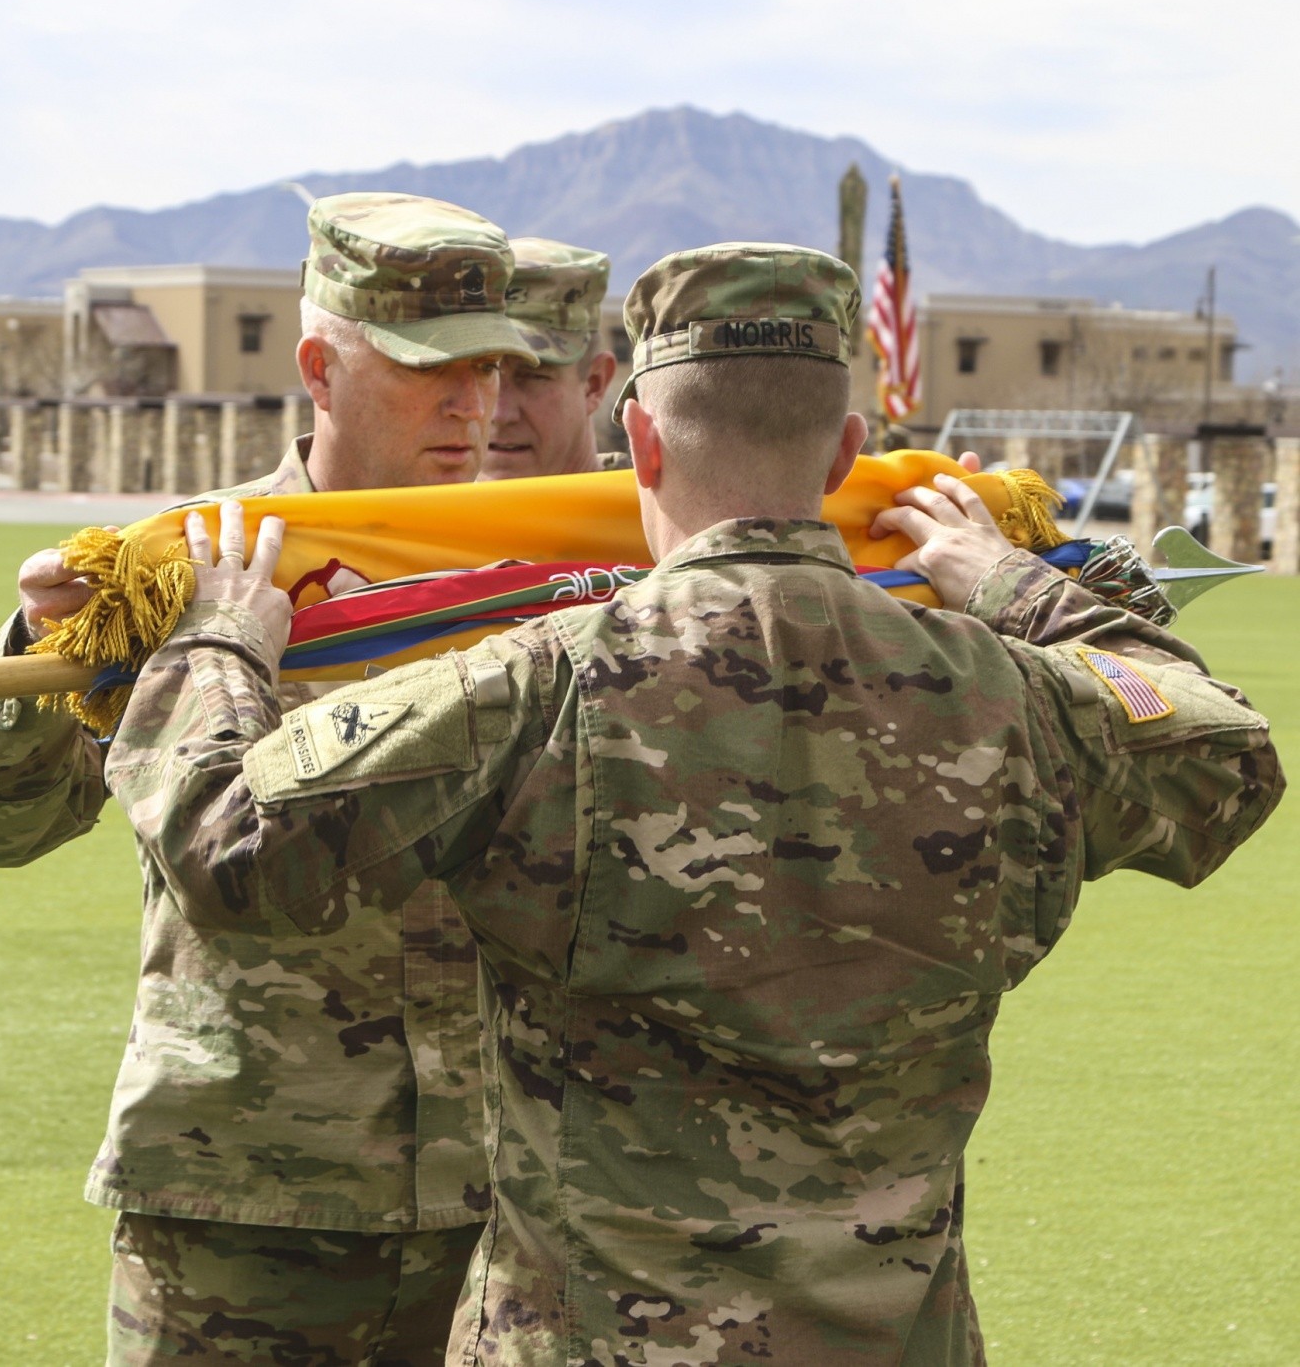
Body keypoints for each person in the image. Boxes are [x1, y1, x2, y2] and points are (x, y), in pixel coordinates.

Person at [102, 242, 1284, 1366]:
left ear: (638, 443)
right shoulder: (1012, 694)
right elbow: (1226, 755)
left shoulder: (535, 684)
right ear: (845, 453)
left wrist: (216, 644)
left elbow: (230, 846)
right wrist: (1024, 589)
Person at [0, 192, 543, 1365]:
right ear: (319, 365)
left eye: (495, 367)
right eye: (431, 369)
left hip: (509, 1211)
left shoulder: (547, 572)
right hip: (248, 1204)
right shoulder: (185, 567)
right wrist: (37, 659)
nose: (478, 404)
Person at [481, 237, 624, 479]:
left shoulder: (639, 514)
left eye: (532, 376)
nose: (500, 415)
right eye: (483, 371)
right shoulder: (425, 514)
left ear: (594, 383)